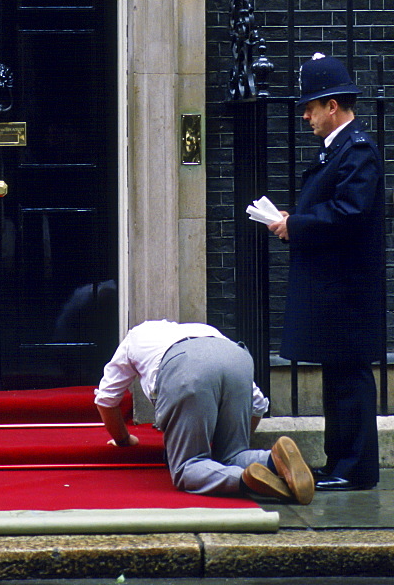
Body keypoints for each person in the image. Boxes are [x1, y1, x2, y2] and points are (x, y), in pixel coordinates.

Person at [268, 53, 385, 491]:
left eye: (311, 107)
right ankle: (341, 464)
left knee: (350, 379)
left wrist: (295, 224)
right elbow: (334, 209)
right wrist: (290, 221)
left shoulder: (358, 151)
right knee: (339, 377)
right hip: (339, 286)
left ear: (332, 106)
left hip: (348, 289)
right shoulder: (342, 149)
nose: (306, 115)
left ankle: (355, 469)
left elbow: (349, 212)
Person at [94, 318, 314, 504]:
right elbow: (257, 404)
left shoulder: (134, 337)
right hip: (237, 357)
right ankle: (272, 460)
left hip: (185, 366)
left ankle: (245, 478)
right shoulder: (204, 329)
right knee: (232, 454)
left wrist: (123, 439)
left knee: (188, 467)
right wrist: (234, 440)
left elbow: (106, 399)